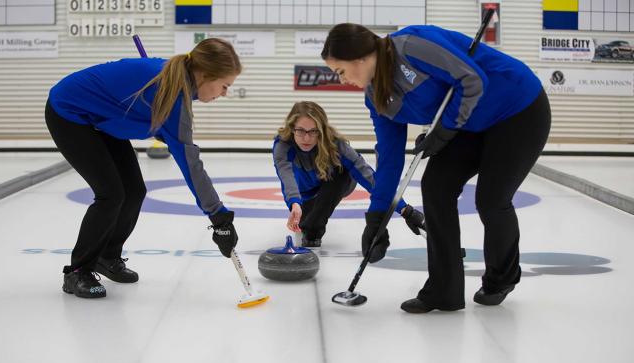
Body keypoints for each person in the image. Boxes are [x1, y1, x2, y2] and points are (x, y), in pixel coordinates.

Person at [322, 23, 551, 313]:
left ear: (359, 59)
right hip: (468, 122)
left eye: (341, 71)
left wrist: (443, 131)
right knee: (436, 187)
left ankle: (501, 279)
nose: (342, 80)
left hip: (517, 108)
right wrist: (377, 217)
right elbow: (390, 158)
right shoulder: (376, 97)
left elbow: (472, 80)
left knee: (491, 199)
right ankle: (444, 290)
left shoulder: (411, 45)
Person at [45, 38, 242, 299]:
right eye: (225, 85)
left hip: (102, 121)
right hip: (69, 112)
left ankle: (108, 256)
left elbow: (142, 117)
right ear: (205, 75)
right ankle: (77, 271)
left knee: (134, 190)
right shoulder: (171, 91)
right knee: (111, 194)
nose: (224, 93)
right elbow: (190, 162)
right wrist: (219, 217)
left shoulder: (175, 86)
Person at [273, 101, 425, 248]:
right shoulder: (282, 145)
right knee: (304, 219)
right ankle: (309, 215)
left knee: (341, 172)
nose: (306, 138)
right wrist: (295, 203)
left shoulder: (335, 144)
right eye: (300, 131)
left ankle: (313, 231)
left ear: (322, 130)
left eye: (313, 131)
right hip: (305, 193)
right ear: (292, 128)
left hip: (335, 182)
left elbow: (368, 176)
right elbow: (287, 178)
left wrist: (406, 210)